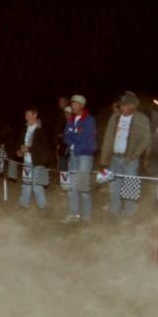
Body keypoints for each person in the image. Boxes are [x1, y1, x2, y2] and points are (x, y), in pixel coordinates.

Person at [99, 91, 151, 216]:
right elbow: (108, 138)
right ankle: (114, 211)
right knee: (114, 186)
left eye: (124, 105)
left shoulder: (141, 119)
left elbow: (146, 139)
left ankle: (129, 213)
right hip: (115, 158)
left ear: (132, 106)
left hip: (130, 160)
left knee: (129, 187)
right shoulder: (115, 117)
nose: (121, 107)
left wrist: (135, 155)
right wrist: (104, 159)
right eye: (121, 105)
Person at [62, 94, 97, 223]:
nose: (73, 106)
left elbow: (85, 138)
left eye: (75, 104)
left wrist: (73, 137)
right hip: (73, 155)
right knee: (72, 187)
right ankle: (73, 215)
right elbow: (65, 137)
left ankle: (87, 216)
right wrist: (73, 138)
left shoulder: (89, 120)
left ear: (82, 105)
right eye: (72, 104)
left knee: (83, 187)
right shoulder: (70, 120)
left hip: (84, 156)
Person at [16, 106, 52, 212]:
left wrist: (29, 149)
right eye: (25, 115)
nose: (26, 117)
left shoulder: (42, 129)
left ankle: (43, 207)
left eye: (28, 115)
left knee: (37, 185)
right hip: (27, 161)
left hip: (39, 161)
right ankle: (23, 205)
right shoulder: (25, 129)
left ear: (35, 115)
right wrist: (20, 150)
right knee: (26, 184)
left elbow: (44, 146)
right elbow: (18, 143)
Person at [54, 97, 71, 173]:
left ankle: (67, 181)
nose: (60, 104)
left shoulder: (70, 111)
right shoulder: (60, 114)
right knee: (61, 160)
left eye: (62, 102)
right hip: (61, 142)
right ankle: (64, 181)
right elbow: (57, 129)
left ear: (67, 102)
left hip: (68, 143)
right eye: (59, 102)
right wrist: (57, 142)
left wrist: (63, 134)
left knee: (66, 161)